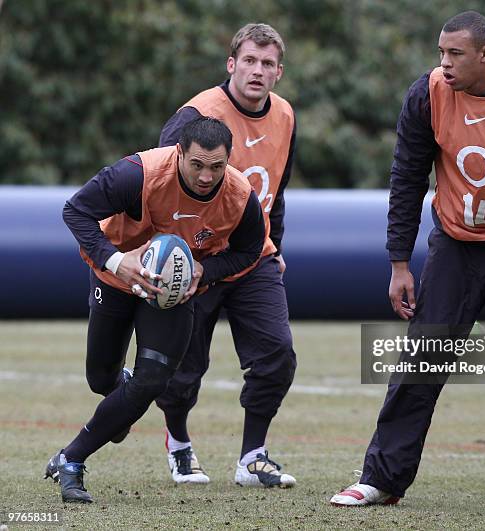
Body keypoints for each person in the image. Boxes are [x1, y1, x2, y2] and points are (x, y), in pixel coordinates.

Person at [330, 11, 485, 516]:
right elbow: (406, 177)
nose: (443, 64)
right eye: (440, 53)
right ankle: (382, 479)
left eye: (454, 54)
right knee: (420, 361)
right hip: (454, 245)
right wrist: (399, 261)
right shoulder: (427, 94)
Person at [44, 116, 265, 503]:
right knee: (101, 380)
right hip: (115, 280)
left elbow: (249, 251)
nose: (206, 176)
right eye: (196, 164)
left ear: (228, 161)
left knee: (153, 380)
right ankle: (120, 398)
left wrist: (205, 269)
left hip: (172, 294)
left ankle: (72, 458)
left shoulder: (240, 196)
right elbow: (76, 211)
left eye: (217, 167)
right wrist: (116, 261)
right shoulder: (137, 174)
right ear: (179, 153)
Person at [155, 23, 297, 488]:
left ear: (279, 71)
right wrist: (167, 258)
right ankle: (178, 445)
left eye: (268, 63)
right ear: (231, 64)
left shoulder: (286, 116)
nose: (258, 71)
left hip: (253, 259)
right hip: (195, 259)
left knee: (277, 354)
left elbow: (277, 189)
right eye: (250, 61)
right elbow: (158, 185)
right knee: (183, 371)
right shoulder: (196, 115)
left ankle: (253, 457)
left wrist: (276, 246)